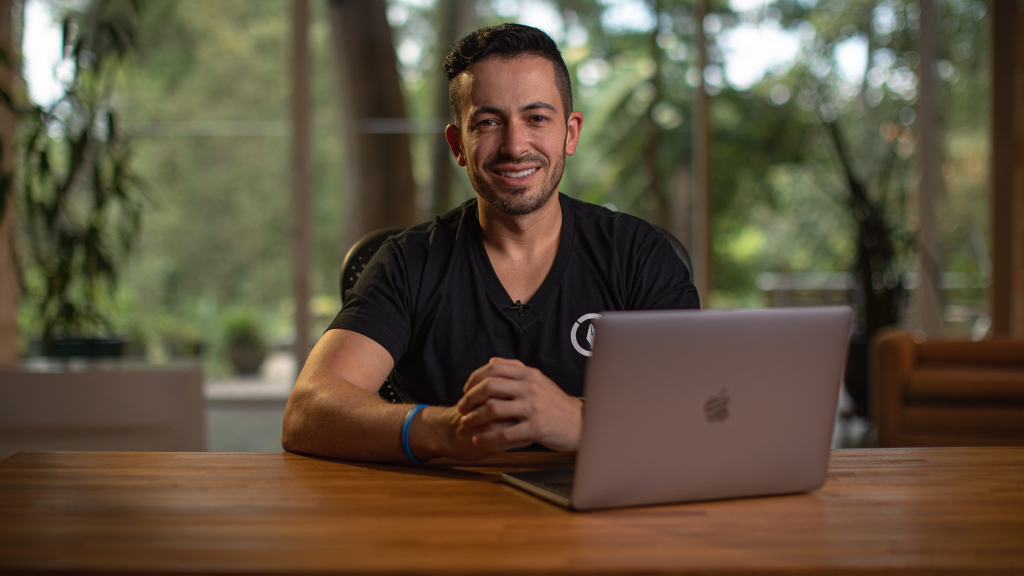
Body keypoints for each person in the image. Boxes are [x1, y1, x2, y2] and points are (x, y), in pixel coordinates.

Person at [282, 23, 699, 463]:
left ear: (570, 133)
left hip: (602, 519)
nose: (515, 145)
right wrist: (446, 429)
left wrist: (579, 422)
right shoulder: (408, 262)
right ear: (458, 144)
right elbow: (307, 410)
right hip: (443, 517)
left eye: (536, 118)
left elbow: (704, 409)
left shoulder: (640, 254)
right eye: (487, 122)